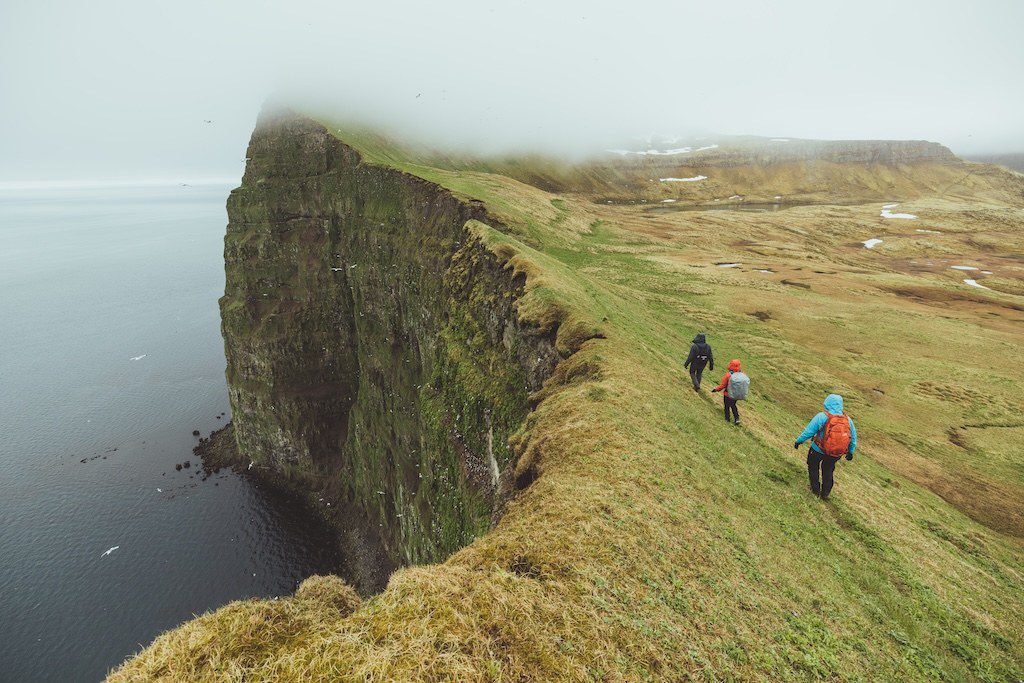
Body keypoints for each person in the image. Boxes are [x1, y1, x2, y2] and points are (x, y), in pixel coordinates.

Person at [793, 394, 857, 500]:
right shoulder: (848, 420)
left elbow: (809, 431)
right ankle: (825, 493)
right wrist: (850, 452)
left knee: (813, 466)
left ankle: (815, 490)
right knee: (828, 470)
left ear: (827, 403)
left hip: (818, 449)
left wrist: (799, 441)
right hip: (835, 453)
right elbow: (853, 437)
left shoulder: (822, 416)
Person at [711, 359, 747, 425]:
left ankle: (727, 419)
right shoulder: (743, 374)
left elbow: (722, 386)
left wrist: (716, 389)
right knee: (733, 405)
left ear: (731, 365)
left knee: (727, 406)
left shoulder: (728, 375)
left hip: (727, 394)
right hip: (736, 395)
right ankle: (737, 418)